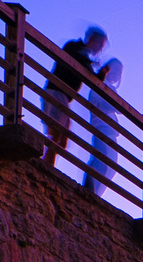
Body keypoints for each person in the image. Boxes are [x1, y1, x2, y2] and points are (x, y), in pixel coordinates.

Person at [42, 26, 107, 166]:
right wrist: (90, 63)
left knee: (63, 137)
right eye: (99, 44)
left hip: (63, 96)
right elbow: (76, 58)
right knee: (57, 133)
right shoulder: (74, 47)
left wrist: (101, 74)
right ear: (91, 39)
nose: (99, 49)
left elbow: (93, 79)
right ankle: (45, 165)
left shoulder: (84, 57)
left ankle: (46, 163)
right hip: (56, 91)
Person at [82, 58, 124, 197]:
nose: (118, 73)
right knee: (103, 162)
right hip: (102, 127)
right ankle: (89, 192)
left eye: (120, 71)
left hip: (111, 130)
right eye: (116, 69)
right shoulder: (100, 83)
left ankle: (96, 194)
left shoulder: (111, 88)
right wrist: (115, 105)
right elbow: (98, 101)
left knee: (111, 166)